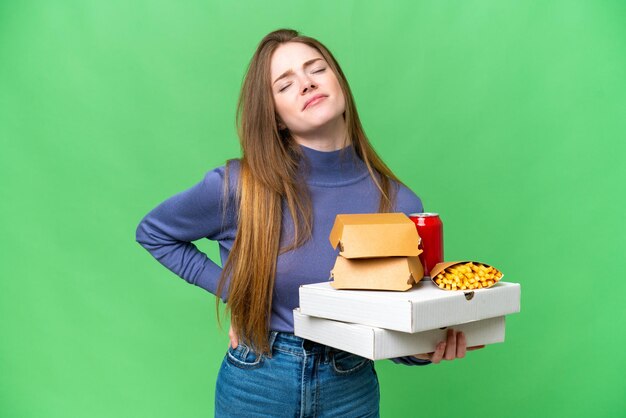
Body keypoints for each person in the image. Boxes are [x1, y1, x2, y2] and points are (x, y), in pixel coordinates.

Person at [135, 28, 483, 418]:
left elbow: (394, 318)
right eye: (285, 85)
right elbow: (154, 232)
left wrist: (421, 349)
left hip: (350, 386)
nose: (307, 84)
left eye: (316, 68)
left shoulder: (399, 202)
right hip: (258, 382)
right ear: (276, 118)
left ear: (339, 82)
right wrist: (238, 290)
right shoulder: (239, 186)